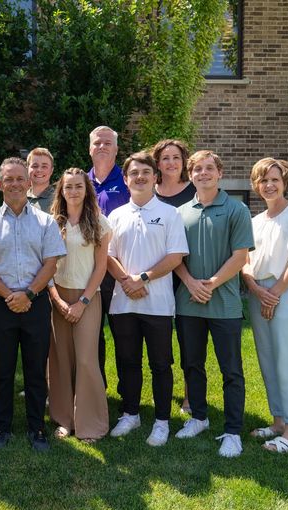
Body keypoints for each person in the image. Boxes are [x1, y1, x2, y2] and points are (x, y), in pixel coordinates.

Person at [0, 157, 66, 452]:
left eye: (19, 179)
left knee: (36, 368)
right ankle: (1, 428)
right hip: (1, 304)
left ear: (29, 183)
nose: (14, 183)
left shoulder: (45, 221)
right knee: (2, 369)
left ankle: (37, 428)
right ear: (0, 184)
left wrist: (27, 294)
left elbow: (51, 264)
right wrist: (9, 296)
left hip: (36, 303)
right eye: (8, 179)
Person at [174, 150, 254, 458]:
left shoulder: (236, 209)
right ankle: (199, 418)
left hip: (225, 305)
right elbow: (176, 257)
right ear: (191, 175)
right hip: (188, 302)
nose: (203, 173)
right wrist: (191, 283)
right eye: (197, 169)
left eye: (209, 168)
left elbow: (240, 256)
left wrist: (210, 284)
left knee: (231, 370)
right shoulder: (181, 213)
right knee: (192, 365)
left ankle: (233, 432)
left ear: (219, 173)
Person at [106, 152, 189, 445]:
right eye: (133, 173)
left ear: (155, 178)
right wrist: (127, 282)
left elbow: (175, 255)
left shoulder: (169, 214)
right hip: (123, 302)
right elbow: (108, 256)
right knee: (127, 361)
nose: (139, 177)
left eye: (145, 172)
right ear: (126, 180)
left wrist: (142, 279)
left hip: (158, 303)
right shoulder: (115, 216)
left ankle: (162, 421)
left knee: (160, 364)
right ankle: (130, 414)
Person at [242, 158, 288, 453]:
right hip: (260, 293)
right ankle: (278, 422)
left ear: (285, 181)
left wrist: (275, 292)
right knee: (268, 360)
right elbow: (246, 262)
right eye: (263, 180)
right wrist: (257, 290)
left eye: (274, 179)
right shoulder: (255, 222)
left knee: (287, 360)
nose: (269, 185)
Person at [47, 168, 111, 442]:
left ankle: (91, 424)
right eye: (68, 187)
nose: (73, 192)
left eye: (78, 187)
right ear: (61, 190)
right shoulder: (51, 223)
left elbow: (101, 266)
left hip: (88, 296)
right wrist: (58, 300)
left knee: (86, 359)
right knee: (61, 359)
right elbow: (46, 266)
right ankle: (64, 420)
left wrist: (83, 301)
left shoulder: (99, 222)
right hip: (57, 295)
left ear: (87, 191)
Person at [152, 138, 196, 415]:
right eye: (165, 158)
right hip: (156, 277)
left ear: (184, 162)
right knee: (159, 340)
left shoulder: (194, 191)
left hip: (187, 274)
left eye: (176, 158)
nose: (171, 163)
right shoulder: (148, 191)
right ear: (157, 163)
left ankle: (190, 398)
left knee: (189, 339)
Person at [87, 126, 130, 388]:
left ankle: (128, 397)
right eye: (97, 143)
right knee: (92, 337)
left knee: (123, 335)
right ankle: (97, 390)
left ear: (116, 148)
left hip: (120, 270)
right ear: (89, 148)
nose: (102, 147)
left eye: (107, 143)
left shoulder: (127, 180)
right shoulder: (81, 181)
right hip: (88, 272)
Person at [26, 147, 56, 212]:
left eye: (44, 166)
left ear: (51, 170)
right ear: (27, 169)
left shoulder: (59, 199)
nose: (39, 170)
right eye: (35, 166)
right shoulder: (20, 198)